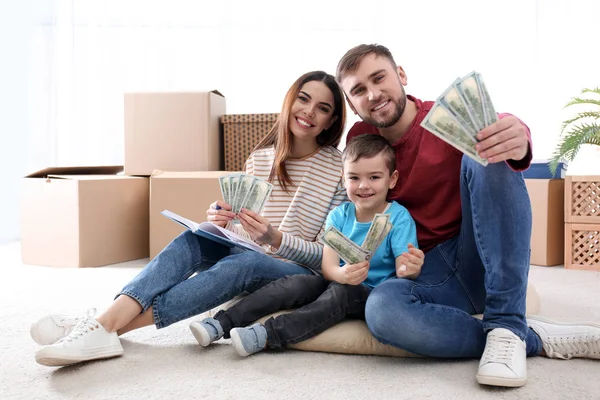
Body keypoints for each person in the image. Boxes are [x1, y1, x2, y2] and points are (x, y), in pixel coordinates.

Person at [31, 70, 349, 367]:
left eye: (322, 108)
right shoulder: (260, 157)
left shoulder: (339, 169)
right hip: (254, 253)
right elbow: (247, 231)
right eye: (304, 99)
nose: (309, 111)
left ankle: (105, 327)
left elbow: (328, 256)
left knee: (245, 264)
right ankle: (103, 324)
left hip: (300, 273)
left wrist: (276, 239)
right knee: (196, 237)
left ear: (330, 120)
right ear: (290, 101)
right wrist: (223, 223)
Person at [335, 44, 600, 388]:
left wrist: (515, 133)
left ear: (401, 75)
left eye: (379, 78)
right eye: (358, 90)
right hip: (424, 271)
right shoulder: (360, 139)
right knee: (382, 312)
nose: (373, 94)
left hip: (477, 252)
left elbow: (501, 125)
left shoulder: (447, 118)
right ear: (351, 104)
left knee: (488, 149)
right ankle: (525, 337)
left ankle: (506, 321)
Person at [187, 134, 424, 357]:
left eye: (374, 177)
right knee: (296, 283)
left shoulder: (398, 218)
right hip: (336, 280)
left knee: (341, 293)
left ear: (392, 179)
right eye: (354, 178)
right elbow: (328, 267)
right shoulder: (338, 216)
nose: (363, 186)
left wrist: (410, 268)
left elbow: (405, 271)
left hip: (371, 293)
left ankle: (267, 335)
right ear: (344, 180)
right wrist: (341, 273)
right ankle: (220, 323)